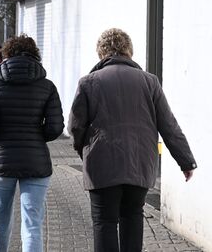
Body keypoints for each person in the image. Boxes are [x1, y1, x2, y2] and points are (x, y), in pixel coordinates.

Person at [69, 28, 197, 252]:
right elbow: (169, 126)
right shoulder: (150, 82)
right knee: (133, 219)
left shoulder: (88, 82)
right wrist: (186, 162)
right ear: (129, 51)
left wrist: (83, 150)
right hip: (139, 164)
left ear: (101, 53)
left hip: (102, 166)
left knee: (104, 223)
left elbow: (75, 126)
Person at [0, 34, 64, 252]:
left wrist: (2, 136)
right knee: (32, 224)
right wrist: (35, 136)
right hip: (36, 162)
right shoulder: (47, 86)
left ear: (7, 54)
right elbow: (55, 128)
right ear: (35, 55)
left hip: (1, 161)